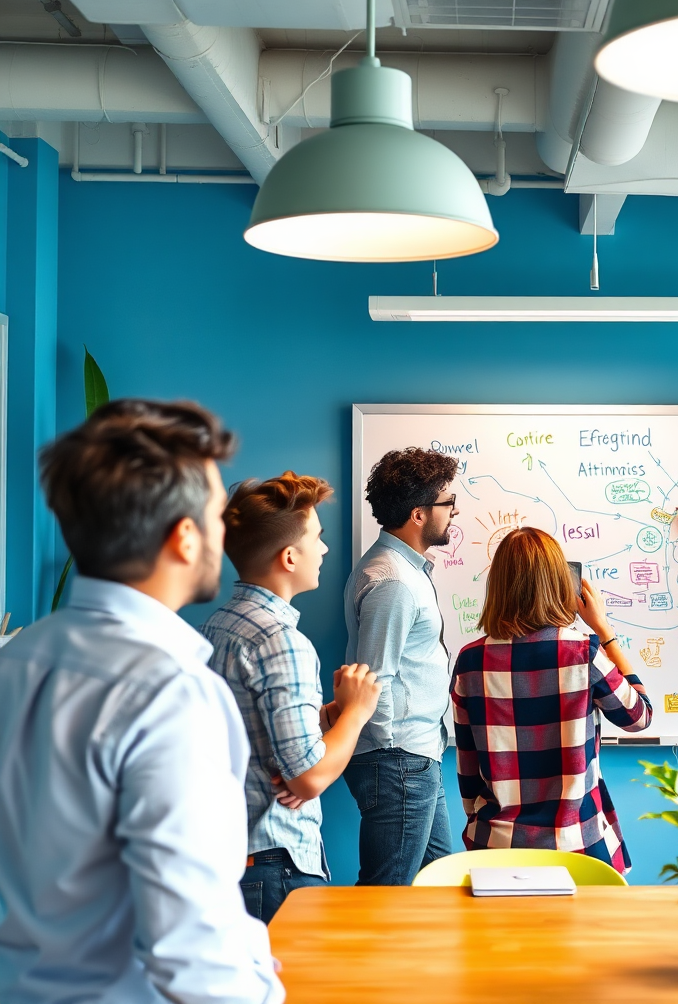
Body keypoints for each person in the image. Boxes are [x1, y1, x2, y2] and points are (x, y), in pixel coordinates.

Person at [0, 399, 283, 1004]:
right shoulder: (169, 694)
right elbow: (195, 956)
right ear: (184, 538)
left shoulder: (15, 663)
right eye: (215, 515)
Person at [201, 471, 381, 923]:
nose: (323, 549)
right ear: (288, 557)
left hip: (235, 856)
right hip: (275, 863)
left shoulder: (221, 625)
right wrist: (356, 715)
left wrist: (326, 721)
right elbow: (307, 780)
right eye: (317, 538)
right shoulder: (280, 640)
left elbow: (258, 736)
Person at [451, 527, 652, 873]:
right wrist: (605, 632)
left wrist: (480, 820)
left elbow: (468, 771)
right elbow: (639, 716)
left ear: (497, 586)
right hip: (576, 850)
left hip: (496, 848)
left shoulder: (469, 661)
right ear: (560, 584)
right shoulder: (583, 652)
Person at [343, 447, 460, 885]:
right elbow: (376, 677)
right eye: (448, 504)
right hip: (400, 759)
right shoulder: (393, 581)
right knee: (385, 892)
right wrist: (394, 751)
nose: (454, 513)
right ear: (418, 513)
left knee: (435, 886)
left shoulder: (403, 572)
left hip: (416, 755)